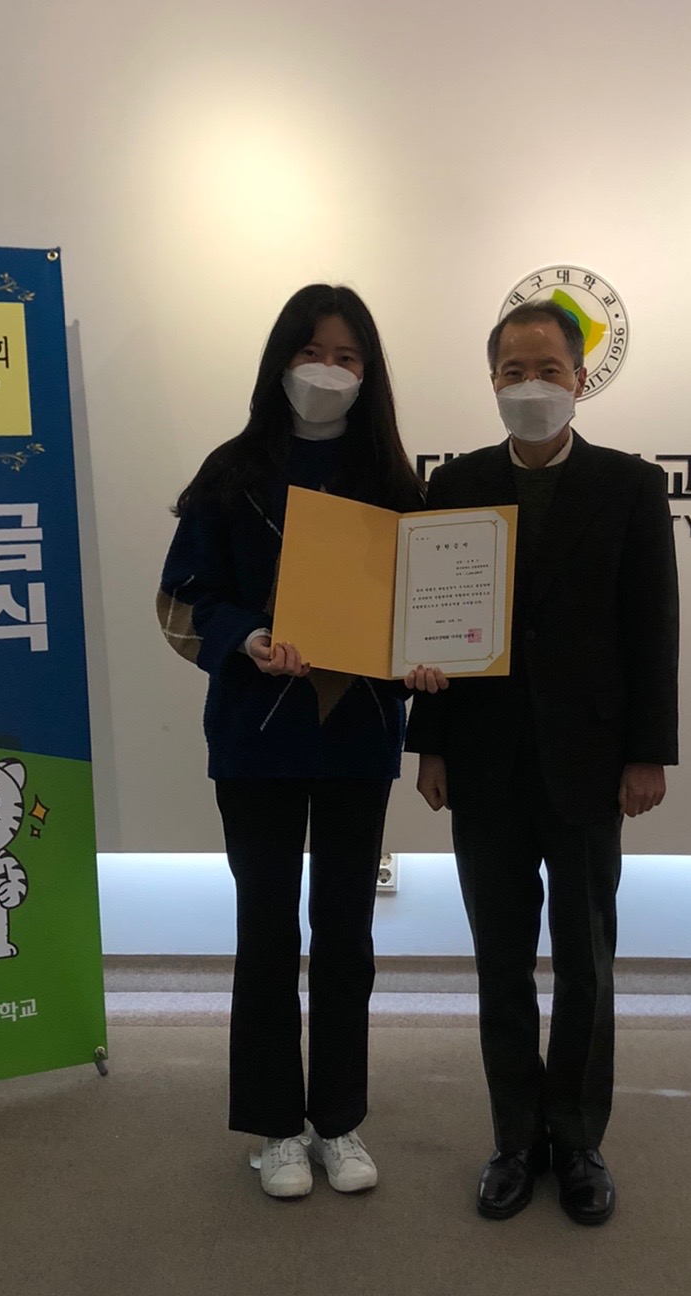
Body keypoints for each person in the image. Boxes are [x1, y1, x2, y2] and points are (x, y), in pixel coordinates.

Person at [405, 299, 679, 1226]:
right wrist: (430, 740)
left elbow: (653, 630)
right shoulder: (454, 485)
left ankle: (580, 1138)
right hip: (482, 759)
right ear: (492, 382)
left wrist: (648, 754)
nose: (531, 387)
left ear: (580, 378)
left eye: (548, 370)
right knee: (499, 960)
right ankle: (515, 1139)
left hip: (591, 761)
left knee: (587, 962)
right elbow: (430, 628)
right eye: (513, 372)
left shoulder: (631, 486)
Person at [157, 284, 423, 1200]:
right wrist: (249, 639)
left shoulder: (394, 482)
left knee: (346, 934)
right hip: (256, 736)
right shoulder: (231, 471)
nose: (328, 371)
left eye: (347, 357)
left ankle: (338, 1120)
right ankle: (276, 1126)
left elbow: (423, 607)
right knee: (266, 929)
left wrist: (427, 660)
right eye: (313, 352)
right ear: (281, 361)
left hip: (358, 735)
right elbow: (182, 601)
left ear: (368, 373)